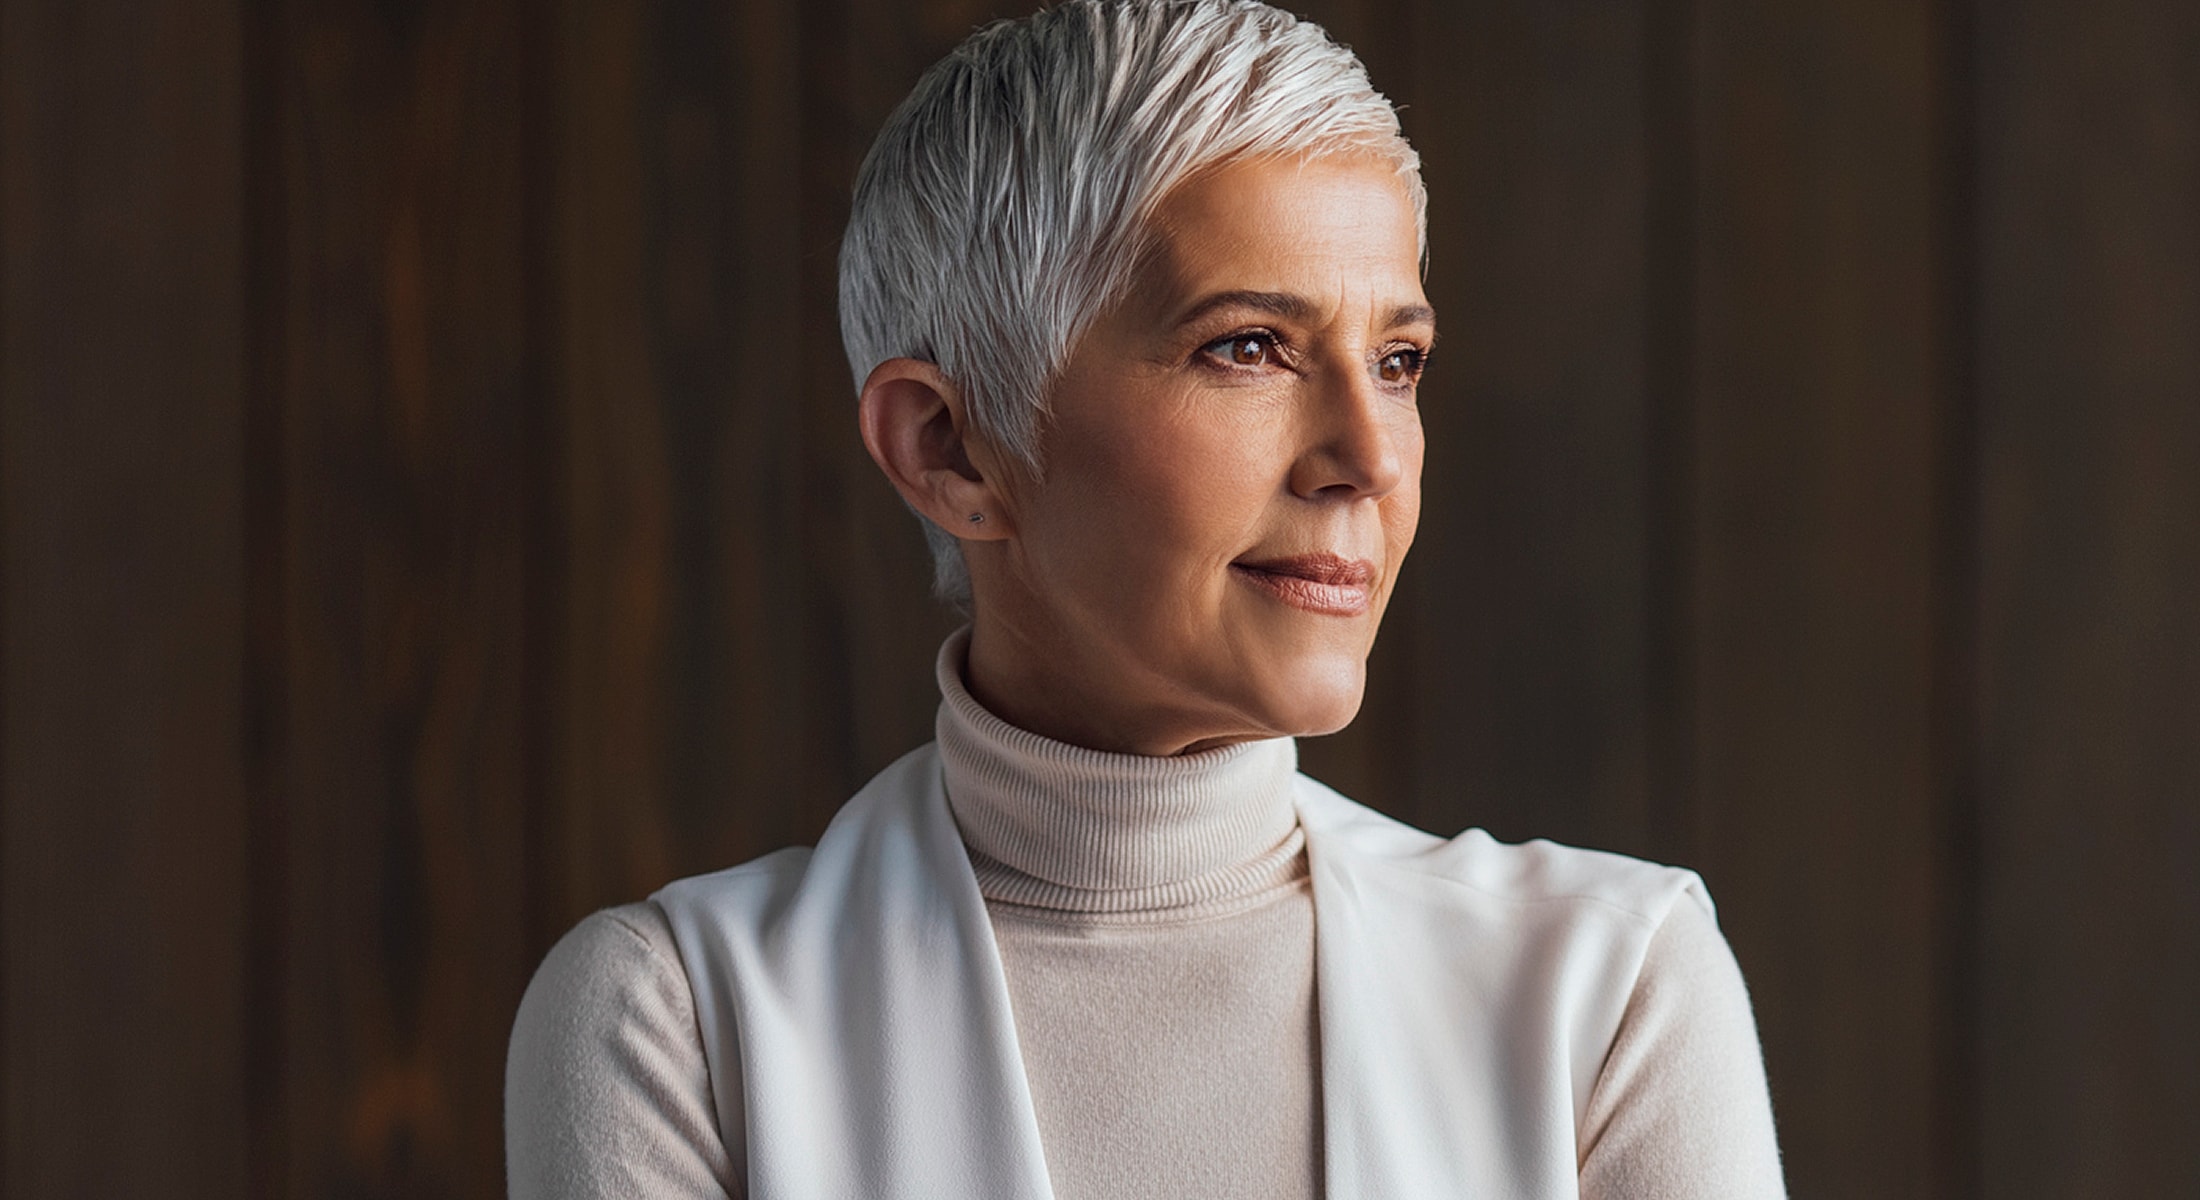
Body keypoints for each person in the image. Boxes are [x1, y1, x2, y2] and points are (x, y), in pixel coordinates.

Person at [505, 2, 1787, 1197]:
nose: (1371, 457)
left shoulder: (1608, 991)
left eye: (1398, 362)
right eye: (1249, 347)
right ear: (950, 450)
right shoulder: (677, 1023)